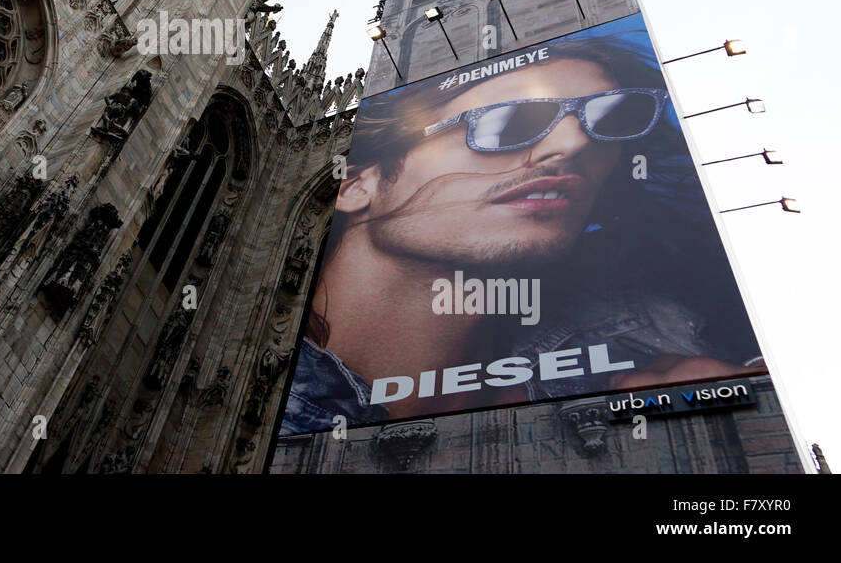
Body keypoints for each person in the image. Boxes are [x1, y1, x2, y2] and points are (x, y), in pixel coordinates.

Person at [283, 22, 763, 435]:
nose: (573, 144)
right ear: (354, 186)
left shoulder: (659, 351)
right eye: (508, 122)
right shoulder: (251, 398)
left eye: (609, 120)